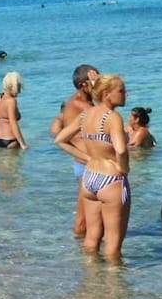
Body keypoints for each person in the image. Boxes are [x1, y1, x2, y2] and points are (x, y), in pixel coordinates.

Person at [55, 74, 131, 261]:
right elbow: (120, 150)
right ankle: (115, 286)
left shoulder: (86, 114)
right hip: (111, 180)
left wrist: (87, 157)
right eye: (121, 90)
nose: (125, 94)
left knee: (91, 238)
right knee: (113, 244)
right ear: (107, 94)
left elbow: (60, 140)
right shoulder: (112, 117)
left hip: (89, 179)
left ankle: (91, 280)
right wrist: (124, 169)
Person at [49, 64, 100, 236]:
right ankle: (80, 255)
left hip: (89, 164)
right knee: (83, 217)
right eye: (94, 80)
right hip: (86, 164)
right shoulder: (78, 104)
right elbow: (104, 114)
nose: (99, 84)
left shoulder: (87, 102)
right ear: (83, 85)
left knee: (94, 216)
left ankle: (84, 251)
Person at [0, 71, 27, 149]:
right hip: (9, 140)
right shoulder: (11, 101)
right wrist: (23, 144)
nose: (20, 89)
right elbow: (13, 122)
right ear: (14, 86)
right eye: (19, 85)